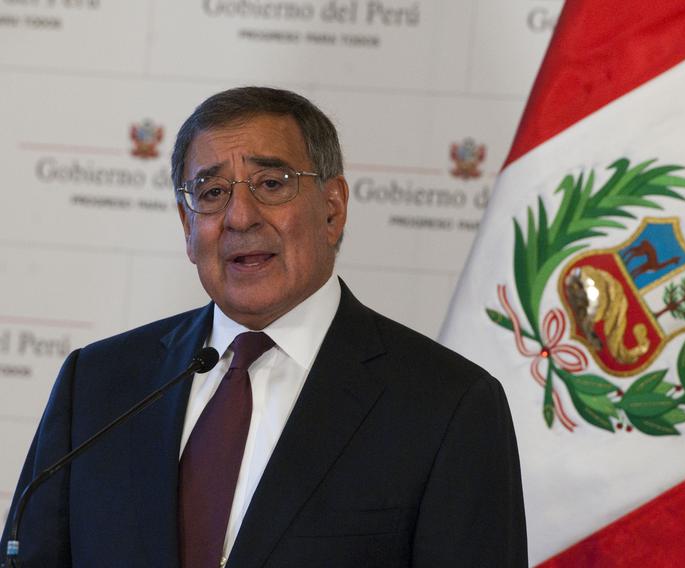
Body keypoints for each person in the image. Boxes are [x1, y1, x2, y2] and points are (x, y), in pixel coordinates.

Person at [1, 87, 527, 567]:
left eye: (271, 184)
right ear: (188, 227)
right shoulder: (99, 384)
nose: (240, 216)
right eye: (210, 194)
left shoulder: (448, 406)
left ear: (333, 207)